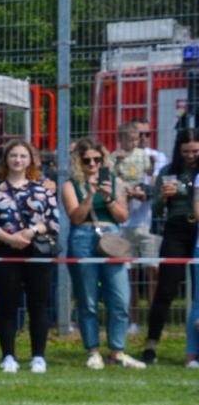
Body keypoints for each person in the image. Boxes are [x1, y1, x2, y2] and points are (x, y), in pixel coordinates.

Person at [62, 137, 145, 370]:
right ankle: (93, 350)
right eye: (86, 160)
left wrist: (107, 196)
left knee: (119, 298)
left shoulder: (115, 182)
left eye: (97, 159)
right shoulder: (70, 185)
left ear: (103, 160)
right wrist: (89, 195)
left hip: (111, 238)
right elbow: (75, 217)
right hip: (82, 238)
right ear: (79, 161)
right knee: (87, 299)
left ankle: (117, 350)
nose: (92, 164)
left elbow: (122, 216)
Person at [0, 139, 59, 374]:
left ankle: (38, 357)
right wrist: (8, 238)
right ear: (6, 159)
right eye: (13, 155)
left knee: (39, 306)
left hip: (37, 252)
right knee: (7, 306)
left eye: (23, 156)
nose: (18, 160)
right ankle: (8, 356)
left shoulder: (42, 190)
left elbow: (53, 221)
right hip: (5, 252)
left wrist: (31, 231)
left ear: (30, 160)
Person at [141, 128, 199, 363]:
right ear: (179, 150)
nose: (191, 155)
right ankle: (151, 345)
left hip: (197, 230)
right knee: (165, 289)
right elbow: (155, 209)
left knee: (198, 295)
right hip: (175, 229)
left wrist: (183, 190)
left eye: (195, 151)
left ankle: (193, 350)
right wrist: (163, 197)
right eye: (186, 151)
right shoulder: (168, 172)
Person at [109, 118, 166, 326]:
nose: (139, 140)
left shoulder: (153, 156)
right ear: (122, 138)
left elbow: (155, 181)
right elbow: (111, 178)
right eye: (135, 136)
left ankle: (154, 317)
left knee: (152, 269)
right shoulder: (115, 156)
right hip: (123, 222)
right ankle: (131, 319)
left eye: (144, 135)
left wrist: (144, 190)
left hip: (147, 222)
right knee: (128, 272)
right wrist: (125, 191)